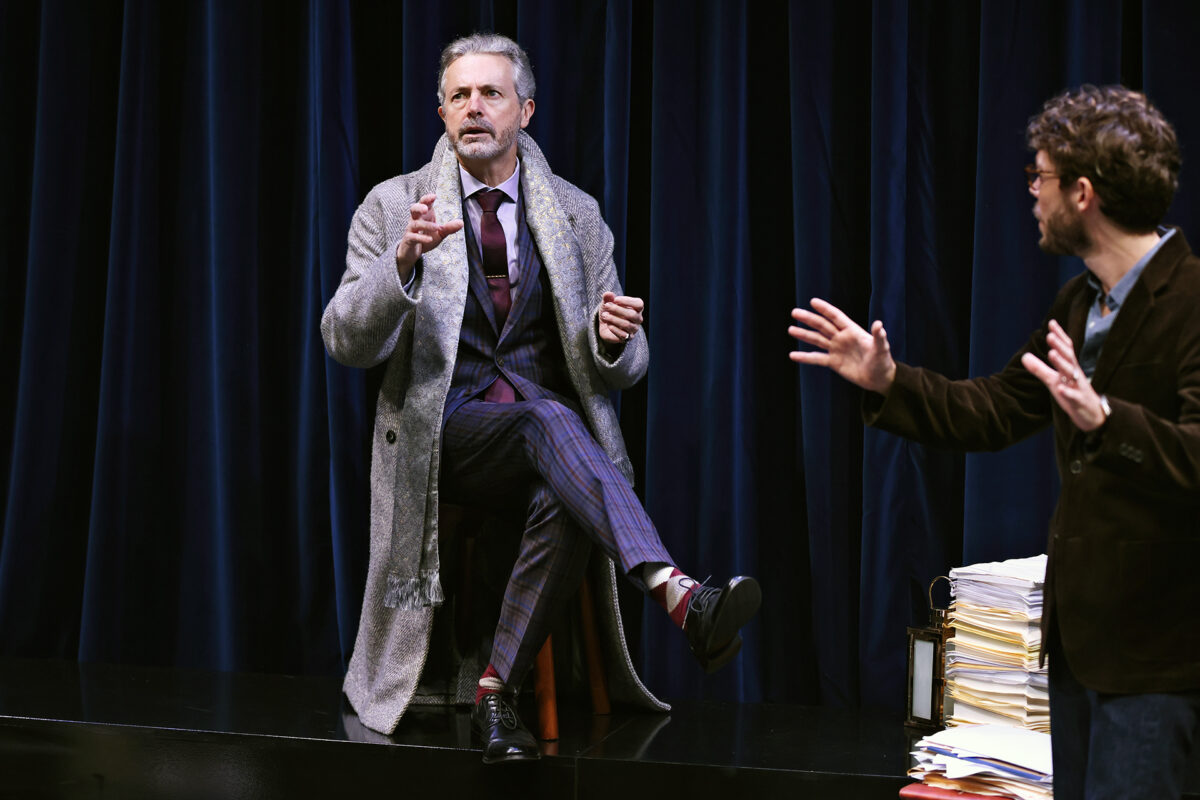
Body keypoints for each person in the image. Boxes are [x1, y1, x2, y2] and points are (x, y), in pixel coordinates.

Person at [322, 33, 760, 765]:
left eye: (490, 93)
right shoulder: (395, 205)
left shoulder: (576, 215)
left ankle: (496, 694)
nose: (473, 107)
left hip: (544, 444)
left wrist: (614, 339)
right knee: (551, 420)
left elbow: (627, 367)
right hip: (446, 436)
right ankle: (678, 594)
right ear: (441, 112)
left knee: (562, 478)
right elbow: (343, 339)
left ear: (525, 110)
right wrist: (401, 265)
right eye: (459, 95)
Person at [788, 84, 1200, 799]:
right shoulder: (1080, 304)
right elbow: (993, 411)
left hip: (1158, 658)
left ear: (1083, 193)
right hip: (1082, 652)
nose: (1031, 192)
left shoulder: (1191, 300)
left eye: (1041, 176)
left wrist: (1107, 420)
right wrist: (889, 381)